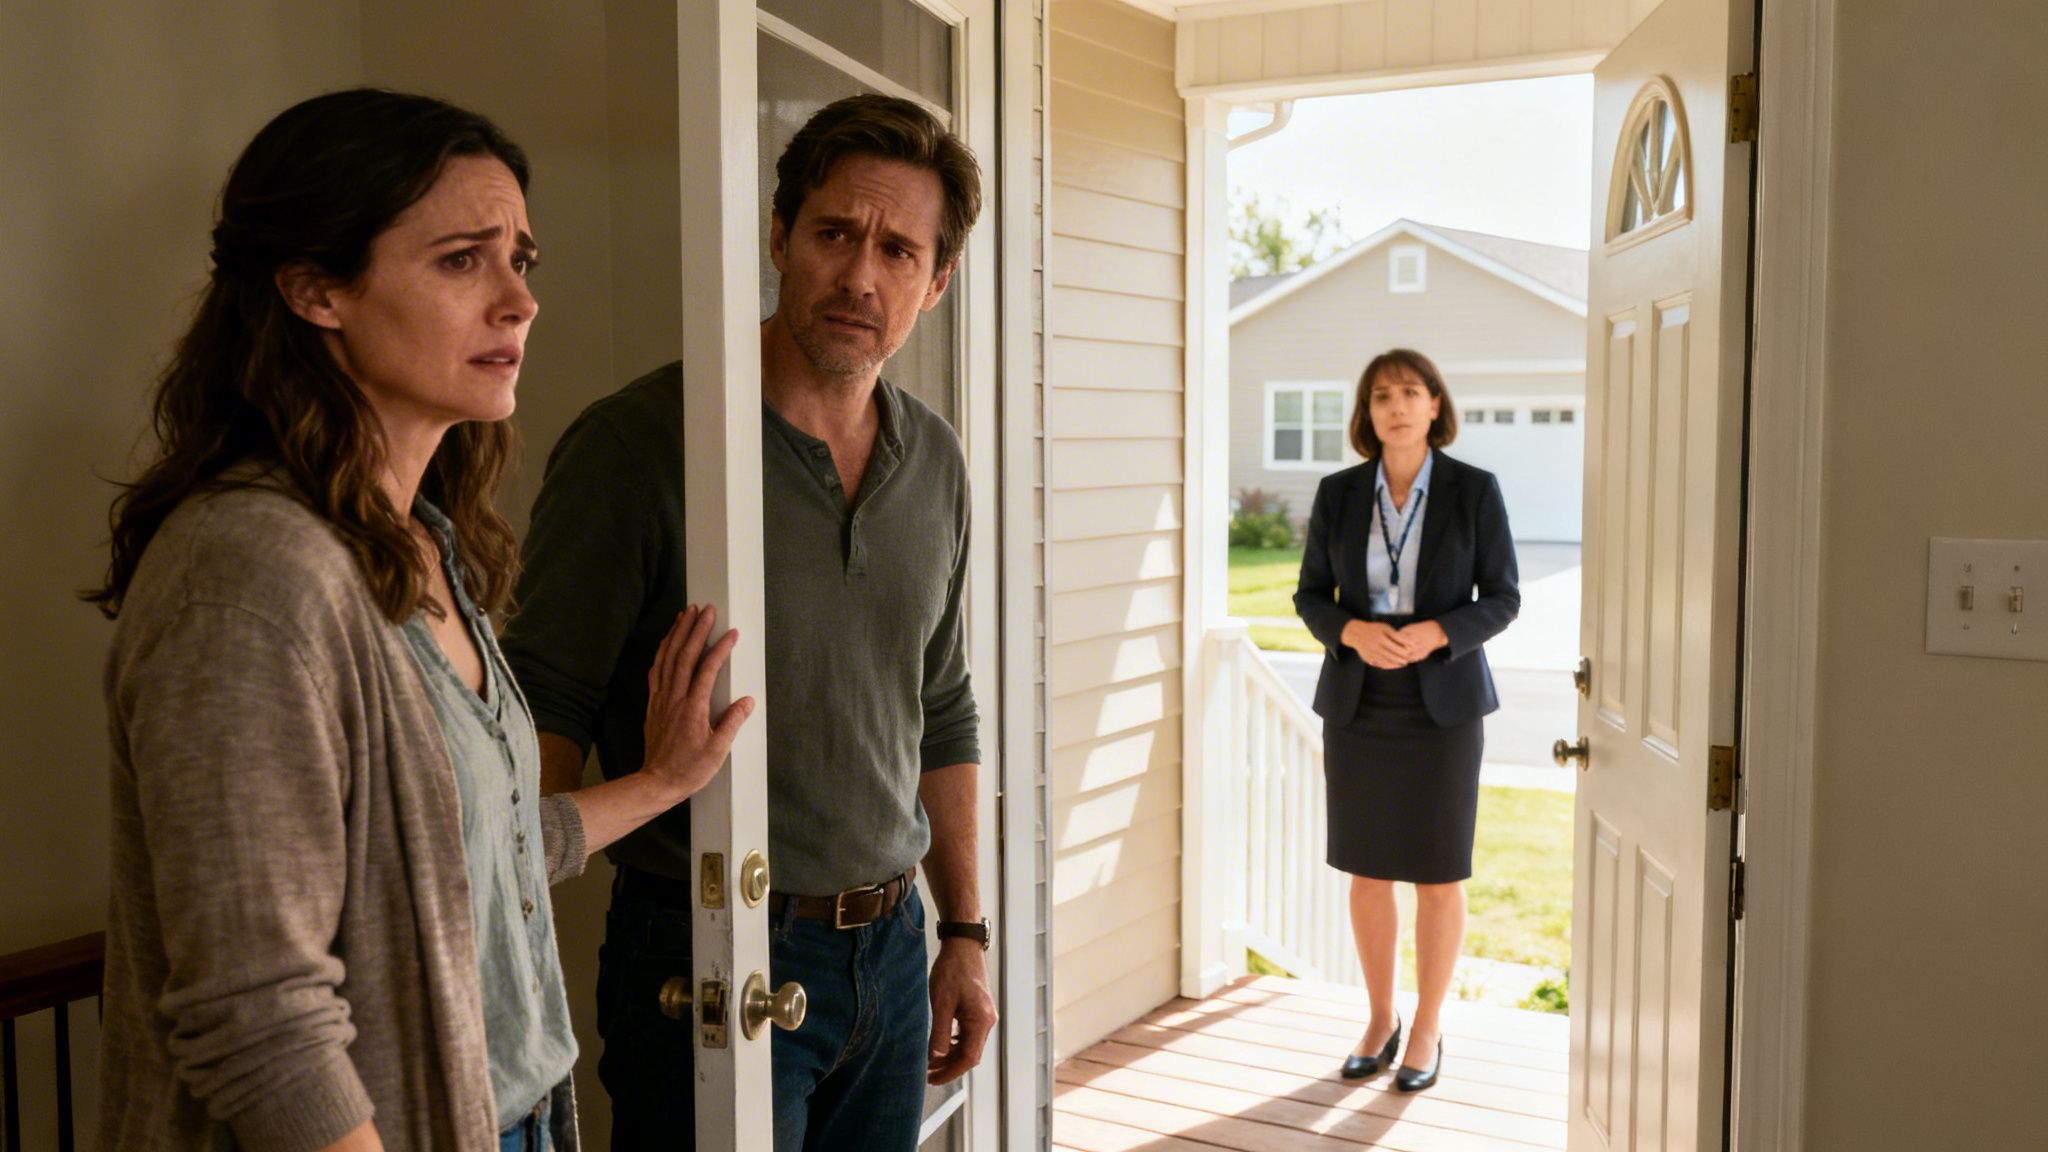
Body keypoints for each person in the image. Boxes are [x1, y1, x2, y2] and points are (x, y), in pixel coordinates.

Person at [89, 88, 749, 1152]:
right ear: (314, 289)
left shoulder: (425, 546)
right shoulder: (250, 574)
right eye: (461, 260)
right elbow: (260, 1021)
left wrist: (663, 783)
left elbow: (467, 862)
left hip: (513, 1118)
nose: (519, 301)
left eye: (520, 262)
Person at [502, 93, 994, 1151]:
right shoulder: (639, 445)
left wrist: (963, 930)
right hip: (704, 952)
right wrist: (509, 947)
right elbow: (545, 703)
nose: (861, 276)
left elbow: (942, 706)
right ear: (777, 237)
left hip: (893, 950)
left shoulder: (939, 463)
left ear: (937, 281)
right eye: (833, 233)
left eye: (899, 251)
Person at [1292, 348, 1520, 1094]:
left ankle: (1427, 1026)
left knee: (1437, 870)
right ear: (1366, 413)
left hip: (1443, 703)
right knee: (1367, 868)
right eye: (1381, 394)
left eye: (1410, 392)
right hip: (1361, 702)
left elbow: (1503, 597)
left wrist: (1441, 632)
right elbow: (1311, 597)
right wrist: (1350, 632)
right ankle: (1379, 1018)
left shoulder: (1474, 491)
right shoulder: (1338, 492)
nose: (1396, 405)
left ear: (1434, 406)